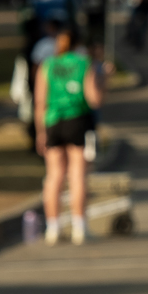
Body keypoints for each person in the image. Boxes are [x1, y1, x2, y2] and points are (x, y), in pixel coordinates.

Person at [34, 29, 106, 246]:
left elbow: (40, 101)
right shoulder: (85, 63)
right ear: (78, 44)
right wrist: (104, 79)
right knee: (78, 174)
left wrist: (40, 132)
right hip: (78, 120)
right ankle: (79, 227)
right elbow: (94, 99)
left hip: (53, 121)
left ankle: (53, 228)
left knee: (54, 175)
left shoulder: (47, 65)